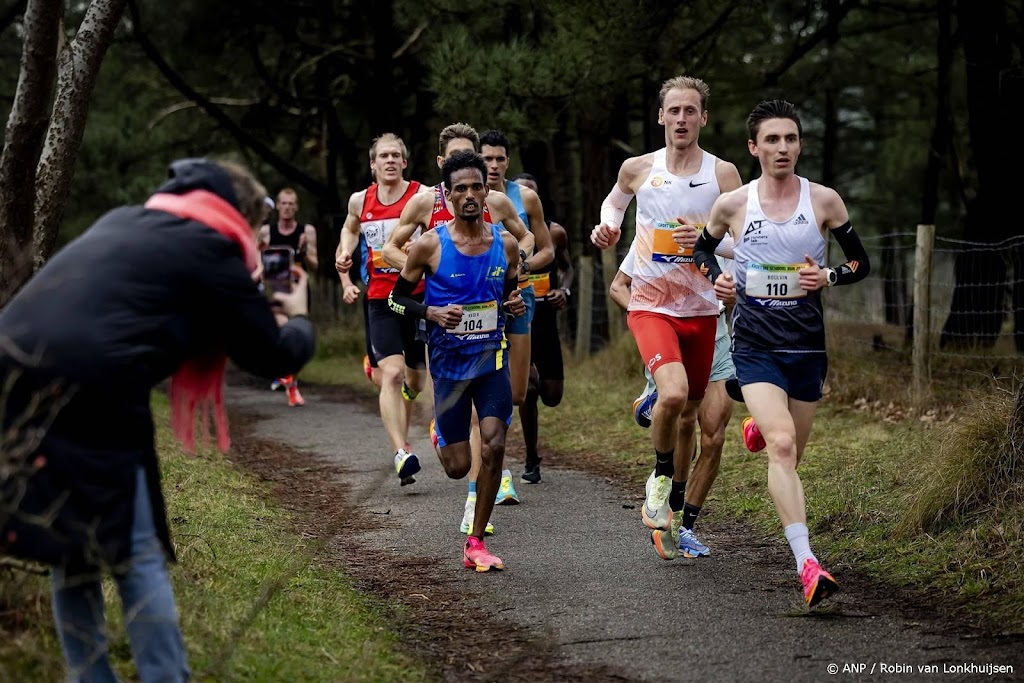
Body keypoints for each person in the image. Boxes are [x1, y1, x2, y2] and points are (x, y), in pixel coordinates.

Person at [0, 158, 315, 681]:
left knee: (72, 546)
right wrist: (299, 315)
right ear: (235, 214)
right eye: (253, 232)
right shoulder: (212, 246)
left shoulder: (129, 219)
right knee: (136, 550)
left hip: (13, 368)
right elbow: (273, 355)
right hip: (93, 381)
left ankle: (91, 674)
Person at [693, 99, 871, 607]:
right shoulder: (733, 205)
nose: (783, 148)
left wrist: (829, 276)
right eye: (772, 140)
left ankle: (756, 425)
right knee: (784, 447)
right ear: (754, 148)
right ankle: (808, 564)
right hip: (755, 343)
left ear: (799, 145)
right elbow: (703, 250)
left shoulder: (824, 202)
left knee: (790, 450)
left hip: (807, 347)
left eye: (790, 139)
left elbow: (861, 262)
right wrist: (718, 279)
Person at [590, 75, 742, 561]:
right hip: (651, 303)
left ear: (703, 118)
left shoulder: (724, 174)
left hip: (702, 309)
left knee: (692, 416)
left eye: (690, 111)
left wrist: (706, 238)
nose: (681, 119)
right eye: (673, 111)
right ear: (661, 117)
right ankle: (659, 477)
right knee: (676, 395)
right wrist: (609, 228)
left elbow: (744, 239)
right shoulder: (638, 167)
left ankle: (679, 508)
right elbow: (614, 203)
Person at [381, 122, 533, 534]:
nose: (469, 196)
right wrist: (431, 313)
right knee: (457, 465)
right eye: (460, 190)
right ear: (447, 195)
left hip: (491, 359)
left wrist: (513, 302)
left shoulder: (505, 244)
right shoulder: (429, 244)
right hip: (448, 364)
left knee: (495, 443)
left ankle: (477, 538)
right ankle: (442, 439)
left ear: (487, 192)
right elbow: (397, 299)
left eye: (476, 188)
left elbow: (508, 294)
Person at [610, 237, 739, 558]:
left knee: (714, 436)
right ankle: (655, 401)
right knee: (685, 421)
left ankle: (685, 527)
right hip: (668, 332)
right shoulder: (659, 233)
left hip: (717, 333)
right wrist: (645, 319)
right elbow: (618, 286)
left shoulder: (737, 237)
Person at [335, 133, 432, 486]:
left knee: (415, 380)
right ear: (373, 164)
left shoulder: (422, 196)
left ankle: (404, 387)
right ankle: (401, 452)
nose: (390, 161)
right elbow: (349, 230)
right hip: (381, 300)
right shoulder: (360, 200)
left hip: (419, 298)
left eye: (396, 155)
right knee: (390, 374)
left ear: (404, 162)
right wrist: (343, 253)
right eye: (383, 156)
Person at [479, 132, 554, 499]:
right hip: (480, 299)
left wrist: (519, 263)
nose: (493, 165)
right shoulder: (468, 195)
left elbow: (547, 249)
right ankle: (499, 467)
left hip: (520, 294)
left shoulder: (524, 197)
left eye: (499, 159)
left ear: (508, 161)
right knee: (486, 382)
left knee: (519, 393)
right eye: (487, 158)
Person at [510, 173, 573, 484]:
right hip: (521, 320)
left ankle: (533, 454)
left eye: (529, 193)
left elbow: (566, 266)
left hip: (547, 321)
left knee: (552, 395)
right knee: (529, 389)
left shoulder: (555, 232)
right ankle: (531, 457)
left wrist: (565, 291)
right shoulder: (506, 234)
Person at [259, 187, 319, 407]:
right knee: (279, 331)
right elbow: (257, 261)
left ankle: (290, 381)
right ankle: (286, 377)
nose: (287, 207)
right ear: (277, 206)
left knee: (296, 334)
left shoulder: (307, 231)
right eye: (283, 203)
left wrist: (303, 251)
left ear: (296, 207)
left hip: (299, 290)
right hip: (275, 288)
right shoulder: (266, 232)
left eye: (291, 203)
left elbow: (315, 264)